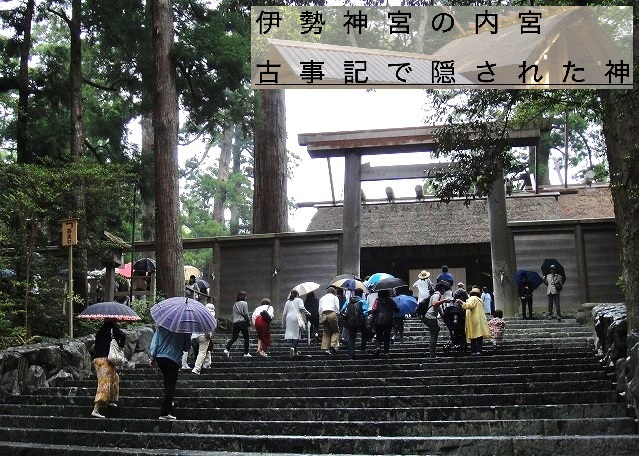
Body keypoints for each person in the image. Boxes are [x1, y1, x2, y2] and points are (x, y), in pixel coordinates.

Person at [149, 325, 192, 420]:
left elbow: (155, 342)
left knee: (167, 382)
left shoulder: (162, 324)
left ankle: (169, 406)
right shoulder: (185, 327)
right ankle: (164, 412)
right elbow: (187, 347)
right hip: (173, 358)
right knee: (170, 385)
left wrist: (152, 357)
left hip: (160, 357)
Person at [91, 320, 126, 418]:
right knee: (104, 383)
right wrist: (121, 346)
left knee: (114, 378)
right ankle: (95, 410)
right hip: (106, 360)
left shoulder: (99, 332)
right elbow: (123, 335)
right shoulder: (114, 330)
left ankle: (110, 400)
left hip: (97, 360)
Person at [460, 287, 491, 355]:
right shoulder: (480, 300)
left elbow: (469, 305)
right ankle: (479, 350)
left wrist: (461, 302)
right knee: (479, 336)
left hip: (473, 320)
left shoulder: (472, 298)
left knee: (473, 336)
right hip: (480, 320)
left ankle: (473, 351)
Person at [371, 289, 400, 358]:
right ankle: (386, 352)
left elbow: (373, 309)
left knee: (378, 336)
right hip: (388, 321)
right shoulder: (390, 301)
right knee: (387, 337)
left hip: (378, 320)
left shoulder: (377, 300)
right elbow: (396, 310)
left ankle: (378, 347)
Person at [423, 282, 448, 359]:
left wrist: (444, 319)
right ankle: (432, 354)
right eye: (444, 289)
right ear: (442, 288)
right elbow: (434, 304)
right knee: (434, 334)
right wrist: (444, 300)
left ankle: (432, 352)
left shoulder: (435, 295)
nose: (445, 291)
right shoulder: (437, 294)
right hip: (430, 317)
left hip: (428, 317)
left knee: (435, 332)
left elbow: (438, 308)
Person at [341, 288, 368, 358]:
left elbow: (342, 310)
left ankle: (351, 353)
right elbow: (365, 312)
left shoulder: (348, 301)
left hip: (350, 320)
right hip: (361, 321)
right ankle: (363, 348)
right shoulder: (363, 301)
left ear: (354, 293)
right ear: (361, 294)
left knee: (351, 337)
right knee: (364, 334)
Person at [283, 290, 310, 357]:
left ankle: (295, 351)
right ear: (297, 294)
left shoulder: (287, 302)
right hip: (296, 318)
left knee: (292, 334)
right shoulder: (299, 300)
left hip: (289, 318)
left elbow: (284, 313)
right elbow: (301, 307)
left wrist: (283, 322)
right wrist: (308, 313)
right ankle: (293, 347)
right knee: (297, 335)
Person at [224, 291, 252, 357]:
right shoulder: (244, 303)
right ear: (243, 297)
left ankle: (227, 349)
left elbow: (233, 314)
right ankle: (246, 353)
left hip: (235, 322)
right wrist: (249, 320)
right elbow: (246, 314)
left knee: (234, 337)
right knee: (246, 338)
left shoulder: (235, 304)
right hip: (242, 322)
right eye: (245, 296)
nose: (246, 297)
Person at [191, 303, 216, 374]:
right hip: (204, 334)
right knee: (202, 352)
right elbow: (211, 325)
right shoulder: (211, 314)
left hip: (195, 334)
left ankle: (206, 364)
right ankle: (197, 368)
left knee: (204, 350)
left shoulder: (200, 312)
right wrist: (209, 334)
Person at [319, 287, 341, 355]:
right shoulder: (335, 297)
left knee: (326, 331)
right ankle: (332, 344)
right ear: (333, 292)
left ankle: (325, 348)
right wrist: (337, 313)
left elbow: (320, 308)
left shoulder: (322, 298)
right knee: (335, 330)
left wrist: (321, 315)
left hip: (324, 314)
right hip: (332, 313)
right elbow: (337, 307)